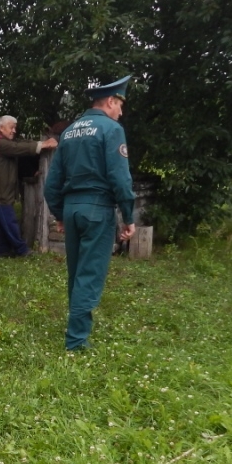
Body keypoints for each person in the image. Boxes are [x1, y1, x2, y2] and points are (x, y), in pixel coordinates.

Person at [44, 76, 136, 352]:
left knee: (76, 272)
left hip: (72, 209)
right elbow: (120, 179)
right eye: (119, 104)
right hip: (97, 209)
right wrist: (129, 217)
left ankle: (77, 327)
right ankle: (76, 341)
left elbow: (51, 183)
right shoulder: (111, 129)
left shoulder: (70, 131)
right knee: (90, 272)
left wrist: (59, 214)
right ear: (110, 101)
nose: (121, 111)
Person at [0, 115, 58, 256]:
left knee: (3, 223)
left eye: (15, 127)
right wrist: (44, 144)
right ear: (1, 128)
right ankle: (21, 249)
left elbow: (19, 143)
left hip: (1, 190)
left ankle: (2, 251)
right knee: (10, 222)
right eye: (11, 127)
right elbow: (18, 147)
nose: (14, 130)